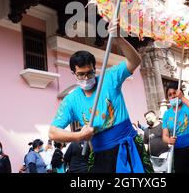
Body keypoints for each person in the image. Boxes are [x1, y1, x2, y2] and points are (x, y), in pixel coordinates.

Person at [49, 20, 153, 173]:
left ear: (95, 69)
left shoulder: (109, 77)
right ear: (74, 74)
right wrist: (78, 136)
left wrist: (118, 37)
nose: (86, 78)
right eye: (81, 74)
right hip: (100, 156)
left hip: (128, 146)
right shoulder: (71, 101)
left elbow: (135, 61)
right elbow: (53, 132)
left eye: (90, 73)